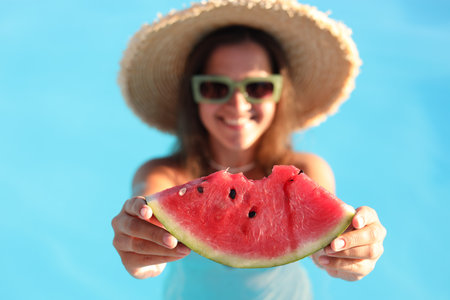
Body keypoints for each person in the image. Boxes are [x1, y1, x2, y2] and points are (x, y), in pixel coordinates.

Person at [112, 0, 386, 298]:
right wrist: (139, 250)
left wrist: (352, 253)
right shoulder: (163, 173)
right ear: (195, 97)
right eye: (216, 88)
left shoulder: (309, 170)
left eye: (257, 88)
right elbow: (145, 211)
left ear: (279, 95)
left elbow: (327, 249)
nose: (238, 105)